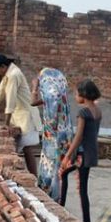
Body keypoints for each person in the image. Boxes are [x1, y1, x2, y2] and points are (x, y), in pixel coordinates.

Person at [0, 54, 43, 176]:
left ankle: (34, 178)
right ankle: (32, 177)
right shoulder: (8, 74)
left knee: (27, 148)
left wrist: (6, 123)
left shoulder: (14, 75)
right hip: (20, 115)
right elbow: (0, 91)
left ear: (3, 66)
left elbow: (10, 100)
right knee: (24, 149)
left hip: (26, 116)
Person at [59, 79, 102, 222]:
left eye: (76, 94)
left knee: (82, 188)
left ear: (83, 94)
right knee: (77, 183)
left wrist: (67, 156)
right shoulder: (97, 110)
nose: (75, 96)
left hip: (82, 155)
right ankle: (64, 209)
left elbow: (79, 136)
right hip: (91, 153)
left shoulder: (83, 112)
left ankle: (85, 221)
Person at [30, 68, 73, 202]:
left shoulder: (51, 97)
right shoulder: (57, 96)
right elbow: (33, 103)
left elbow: (51, 117)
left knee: (52, 169)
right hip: (63, 136)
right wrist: (35, 88)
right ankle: (55, 197)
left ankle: (52, 198)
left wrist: (34, 87)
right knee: (56, 168)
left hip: (54, 138)